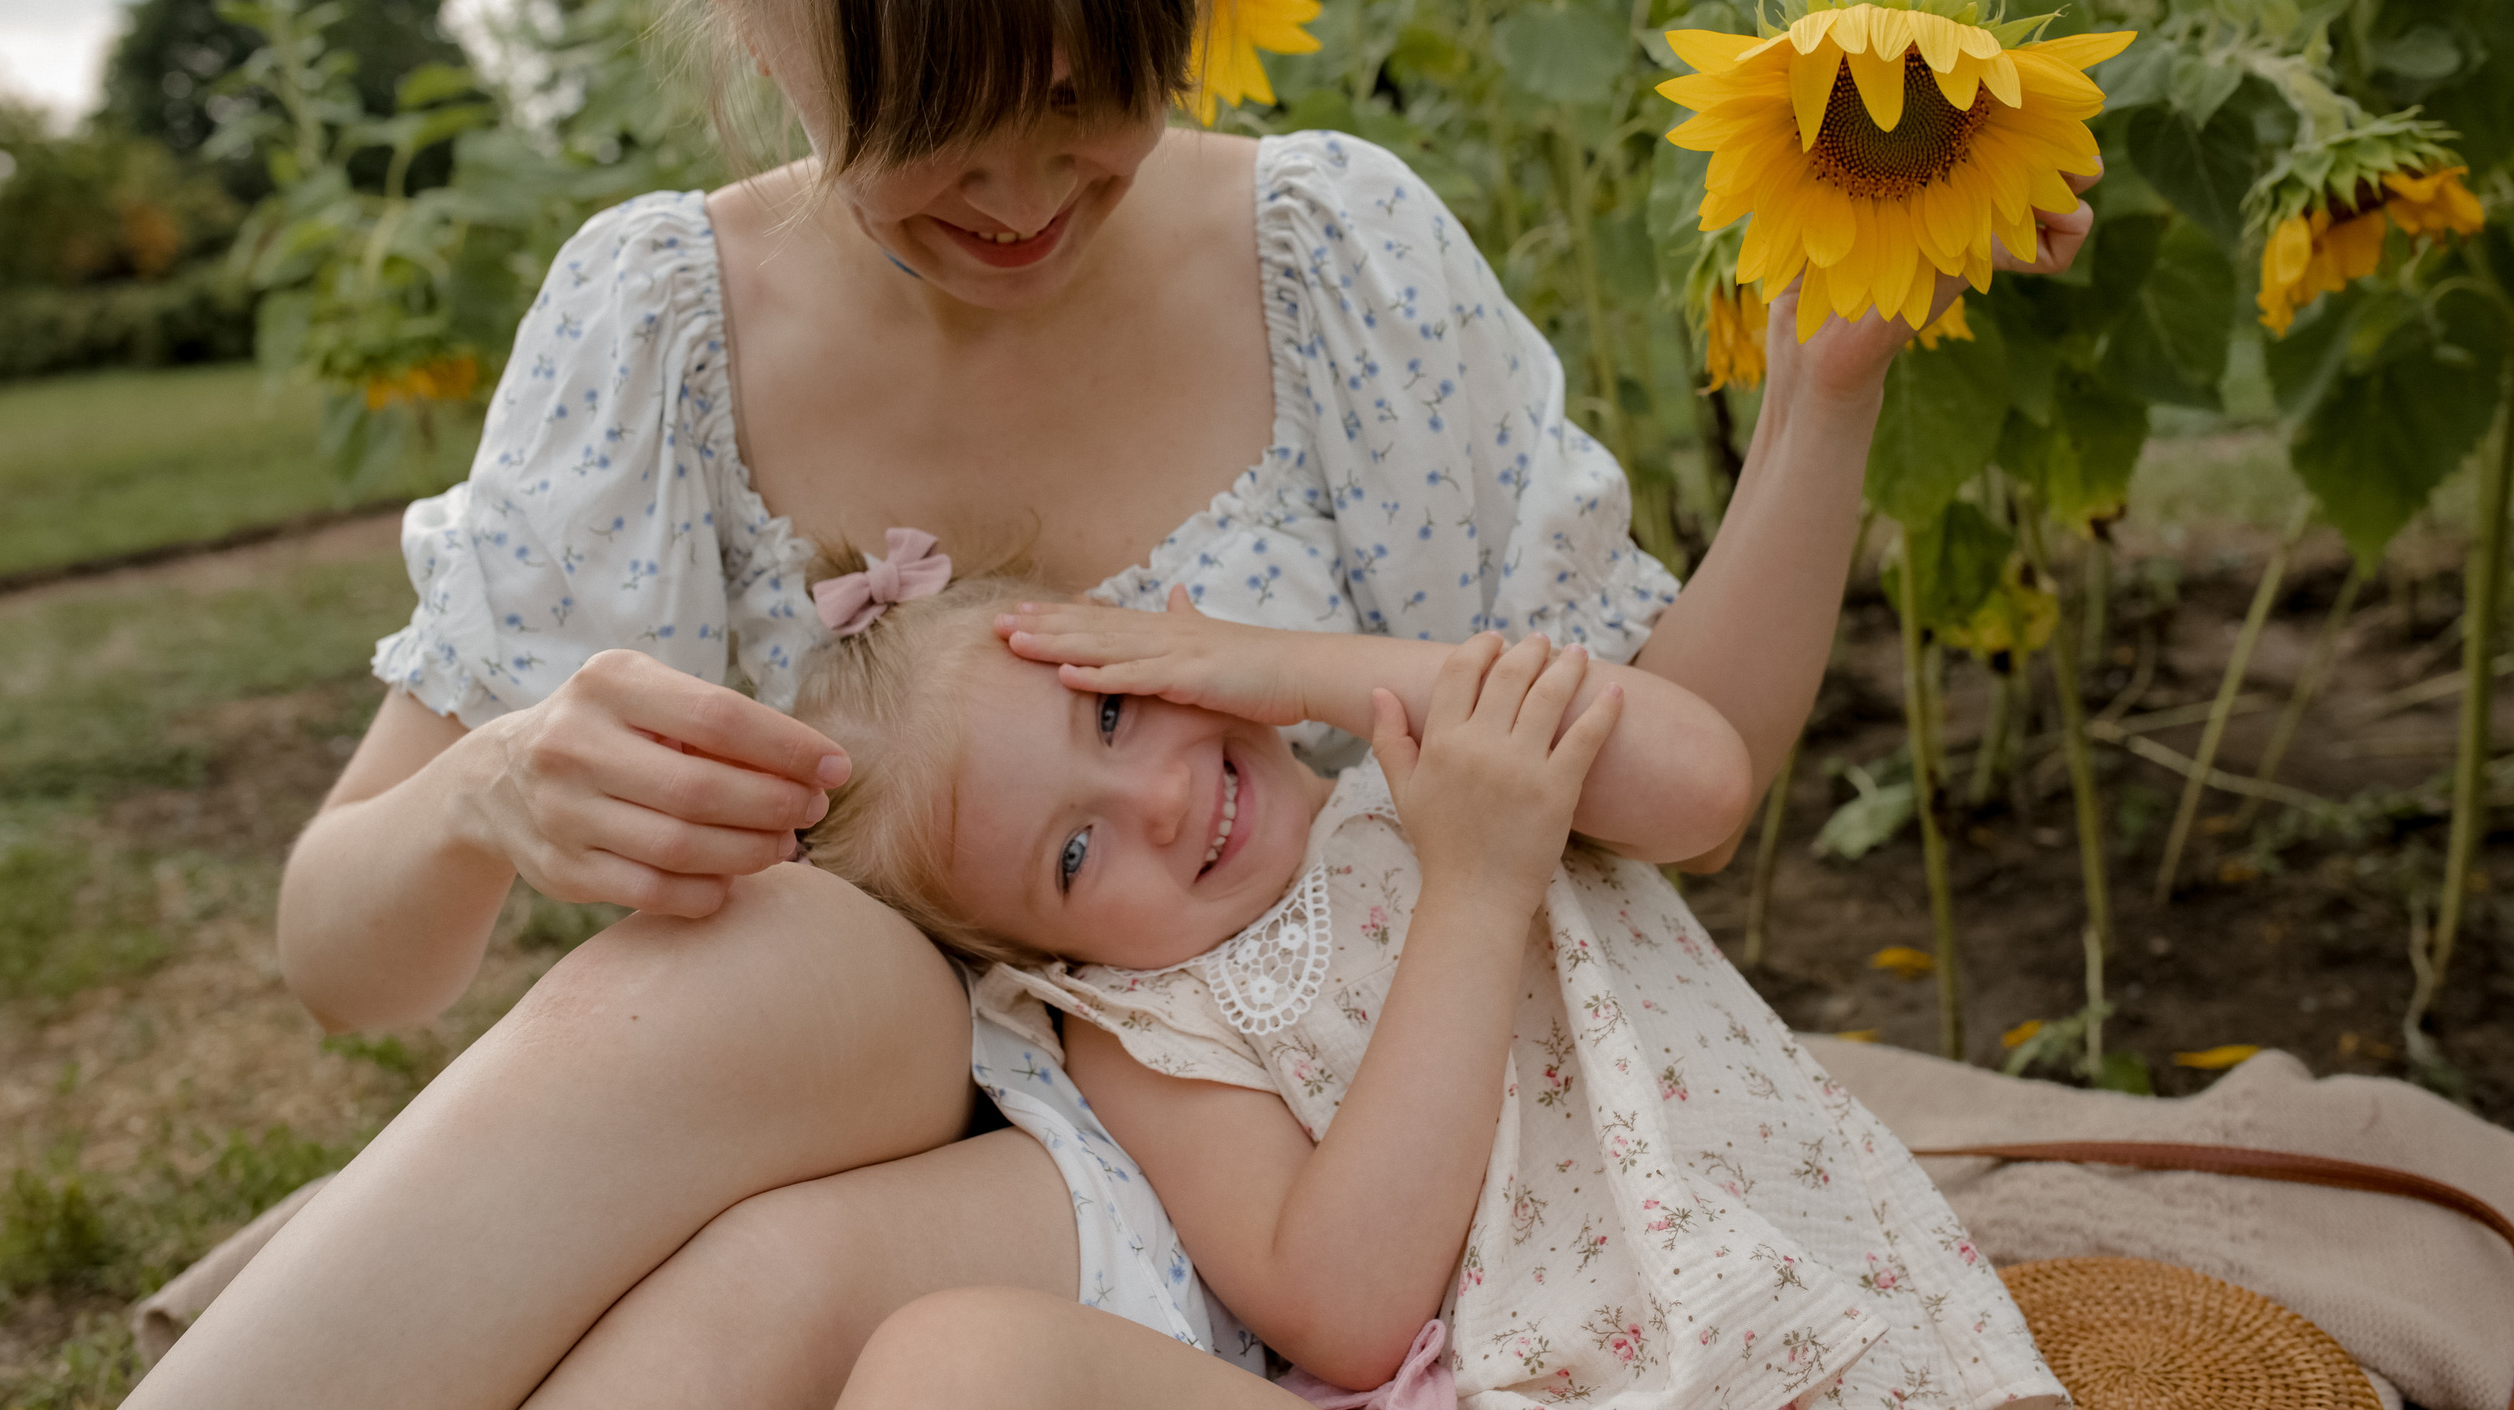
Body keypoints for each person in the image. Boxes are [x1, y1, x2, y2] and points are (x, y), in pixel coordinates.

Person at [120, 0, 2104, 1400]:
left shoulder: (1323, 258)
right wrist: (488, 792)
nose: (1020, 193)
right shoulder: (657, 326)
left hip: (1308, 1177)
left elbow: (1669, 755)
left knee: (777, 1308)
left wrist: (1823, 390)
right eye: (933, 127)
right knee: (808, 963)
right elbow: (341, 944)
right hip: (922, 1124)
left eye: (1091, 94)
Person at [779, 555, 2060, 1410]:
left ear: (1166, 643)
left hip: (1832, 1313)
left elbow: (1702, 781)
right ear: (1041, 959)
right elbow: (1342, 1310)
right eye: (1071, 853)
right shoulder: (1146, 1023)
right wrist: (1477, 889)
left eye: (1114, 717)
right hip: (1547, 1383)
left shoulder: (1452, 759)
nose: (1160, 800)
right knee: (957, 1363)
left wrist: (1296, 661)